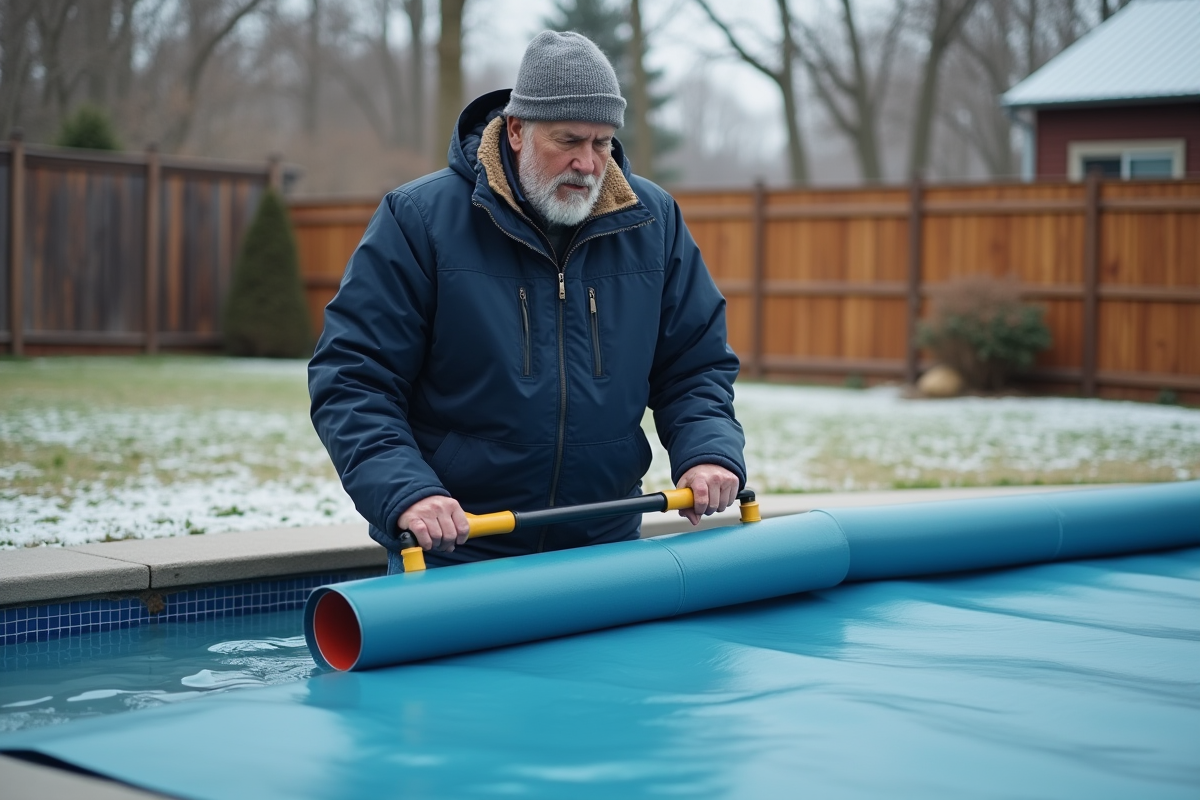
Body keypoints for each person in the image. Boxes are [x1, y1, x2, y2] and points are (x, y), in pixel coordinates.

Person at [309, 31, 746, 572]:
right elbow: (354, 378)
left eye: (603, 142)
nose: (589, 163)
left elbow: (694, 366)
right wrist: (408, 492)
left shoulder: (654, 222)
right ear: (516, 129)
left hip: (605, 542)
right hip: (457, 548)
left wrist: (706, 451)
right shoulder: (417, 220)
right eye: (569, 140)